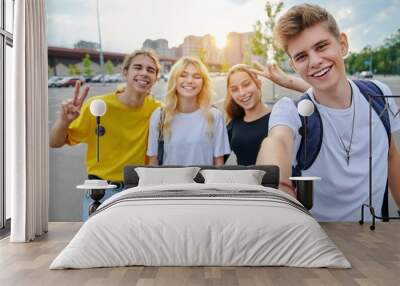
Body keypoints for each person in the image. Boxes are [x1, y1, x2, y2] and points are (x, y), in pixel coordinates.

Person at [256, 4, 400, 221]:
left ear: (342, 44)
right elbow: (277, 142)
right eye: (302, 56)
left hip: (374, 241)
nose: (314, 61)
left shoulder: (379, 94)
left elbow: (390, 156)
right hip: (319, 245)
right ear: (294, 65)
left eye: (321, 47)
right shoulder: (290, 111)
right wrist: (279, 187)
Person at [49, 49, 161, 220]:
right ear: (125, 73)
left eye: (150, 70)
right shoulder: (97, 106)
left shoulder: (157, 110)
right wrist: (64, 121)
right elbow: (55, 142)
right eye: (138, 67)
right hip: (101, 194)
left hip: (137, 192)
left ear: (156, 78)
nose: (144, 73)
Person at [147, 56, 230, 166]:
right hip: (169, 182)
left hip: (204, 183)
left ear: (203, 82)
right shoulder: (159, 116)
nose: (190, 81)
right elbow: (153, 162)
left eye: (196, 76)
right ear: (174, 80)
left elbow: (218, 163)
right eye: (183, 75)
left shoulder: (214, 116)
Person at [224, 63, 309, 165]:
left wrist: (288, 82)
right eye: (234, 89)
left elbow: (324, 94)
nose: (242, 93)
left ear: (258, 83)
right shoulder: (233, 125)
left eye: (246, 84)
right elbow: (215, 162)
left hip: (281, 180)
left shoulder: (282, 116)